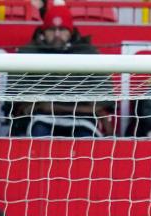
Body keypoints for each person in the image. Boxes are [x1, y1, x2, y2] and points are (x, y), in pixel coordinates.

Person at [9, 1, 113, 137]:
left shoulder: (88, 53)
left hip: (82, 120)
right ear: (43, 31)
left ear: (70, 31)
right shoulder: (28, 53)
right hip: (39, 119)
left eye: (62, 29)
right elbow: (18, 100)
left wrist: (50, 107)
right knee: (40, 133)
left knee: (85, 138)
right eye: (51, 29)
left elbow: (102, 102)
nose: (57, 34)